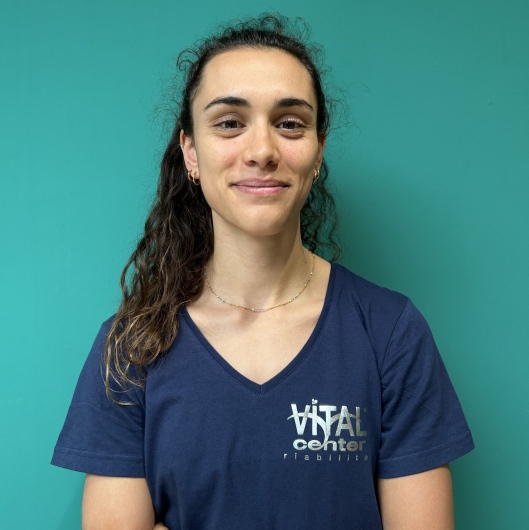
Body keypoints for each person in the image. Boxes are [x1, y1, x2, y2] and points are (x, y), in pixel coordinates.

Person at [52, 13, 474, 529]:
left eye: (290, 123)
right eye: (230, 123)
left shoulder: (390, 333)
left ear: (317, 151)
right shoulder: (132, 346)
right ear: (191, 151)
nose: (261, 151)